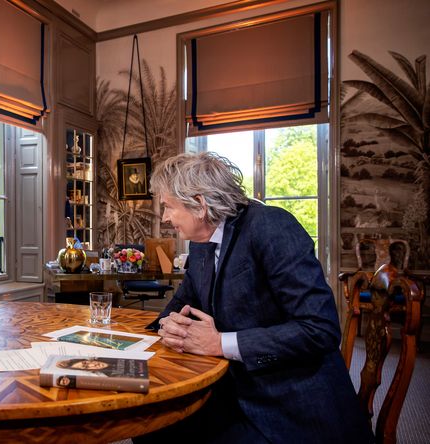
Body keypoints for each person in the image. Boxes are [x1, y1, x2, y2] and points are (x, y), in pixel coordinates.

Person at [137, 152, 372, 443]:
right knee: (147, 424)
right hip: (231, 387)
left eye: (168, 207)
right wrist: (158, 330)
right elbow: (182, 303)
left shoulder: (271, 226)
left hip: (290, 404)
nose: (165, 218)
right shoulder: (200, 243)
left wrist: (219, 343)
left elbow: (320, 328)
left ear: (199, 204)